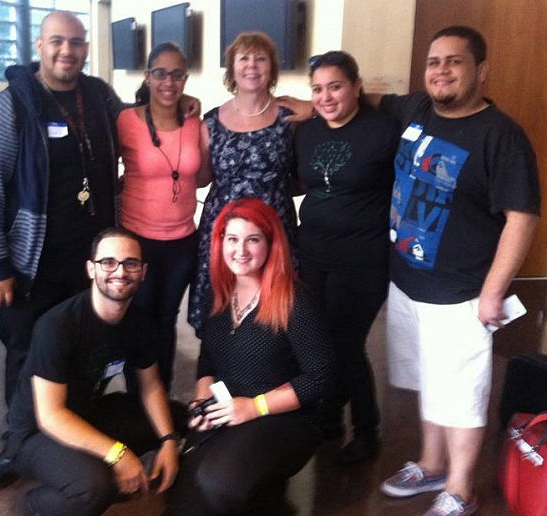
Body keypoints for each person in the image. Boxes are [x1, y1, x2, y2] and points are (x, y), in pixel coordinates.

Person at [0, 12, 198, 487]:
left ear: (86, 47)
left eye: (76, 42)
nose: (66, 51)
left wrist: (180, 102)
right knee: (26, 351)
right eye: (57, 42)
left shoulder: (98, 97)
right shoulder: (8, 108)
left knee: (85, 349)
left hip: (94, 262)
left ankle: (76, 433)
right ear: (39, 44)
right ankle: (19, 446)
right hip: (32, 261)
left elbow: (142, 113)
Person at [372, 27, 539, 516]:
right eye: (433, 62)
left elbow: (522, 217)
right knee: (429, 380)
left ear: (480, 70)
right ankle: (431, 462)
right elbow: (374, 98)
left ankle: (462, 488)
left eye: (455, 62)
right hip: (407, 281)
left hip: (461, 293)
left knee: (461, 393)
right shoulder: (417, 108)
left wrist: (493, 291)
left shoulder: (501, 135)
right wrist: (304, 102)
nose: (441, 71)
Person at [167, 198, 335, 515]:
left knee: (219, 483)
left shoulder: (294, 300)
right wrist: (203, 400)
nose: (240, 250)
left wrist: (255, 407)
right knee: (182, 500)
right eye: (232, 239)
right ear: (220, 243)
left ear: (271, 244)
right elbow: (207, 361)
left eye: (252, 239)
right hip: (230, 410)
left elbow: (321, 377)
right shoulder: (220, 294)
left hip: (285, 418)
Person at [4, 227, 180, 516]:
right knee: (95, 489)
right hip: (34, 431)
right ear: (91, 269)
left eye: (130, 263)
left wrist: (169, 441)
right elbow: (50, 415)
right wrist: (117, 454)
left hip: (89, 412)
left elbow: (151, 387)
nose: (120, 272)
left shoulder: (139, 322)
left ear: (143, 272)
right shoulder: (57, 326)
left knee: (177, 417)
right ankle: (32, 504)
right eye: (108, 262)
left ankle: (99, 468)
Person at [294, 51, 399, 463]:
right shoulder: (306, 132)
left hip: (363, 259)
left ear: (357, 86)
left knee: (345, 342)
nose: (326, 97)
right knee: (319, 339)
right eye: (317, 89)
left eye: (335, 86)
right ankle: (329, 416)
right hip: (313, 253)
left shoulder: (383, 131)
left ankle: (367, 429)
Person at [187, 31, 298, 336]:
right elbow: (203, 177)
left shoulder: (290, 118)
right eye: (244, 58)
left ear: (272, 69)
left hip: (273, 227)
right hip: (223, 230)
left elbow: (302, 176)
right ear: (232, 68)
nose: (252, 66)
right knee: (221, 308)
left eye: (261, 58)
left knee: (272, 312)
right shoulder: (209, 121)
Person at [118, 42, 206, 391]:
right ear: (147, 76)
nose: (168, 81)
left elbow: (204, 176)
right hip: (137, 240)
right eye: (160, 73)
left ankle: (161, 395)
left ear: (185, 78)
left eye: (176, 74)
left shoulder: (195, 122)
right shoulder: (126, 120)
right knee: (138, 320)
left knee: (166, 321)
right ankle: (135, 399)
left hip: (182, 242)